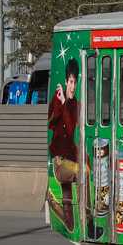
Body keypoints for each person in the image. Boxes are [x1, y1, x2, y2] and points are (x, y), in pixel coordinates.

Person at [47, 57, 80, 230]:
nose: (73, 87)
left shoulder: (77, 105)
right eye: (71, 82)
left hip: (70, 161)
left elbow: (73, 130)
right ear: (66, 82)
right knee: (83, 173)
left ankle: (52, 202)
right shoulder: (58, 99)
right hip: (60, 163)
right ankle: (88, 218)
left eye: (76, 82)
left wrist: (64, 104)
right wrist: (59, 102)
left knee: (70, 226)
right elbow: (50, 120)